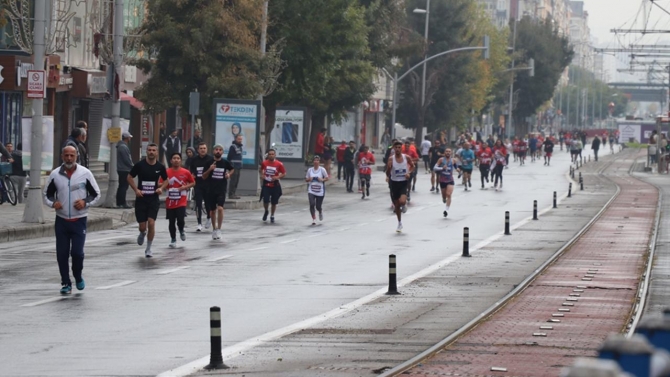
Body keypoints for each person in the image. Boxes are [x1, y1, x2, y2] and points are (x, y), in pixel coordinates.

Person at [43, 145, 101, 294]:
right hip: (61, 221)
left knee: (77, 253)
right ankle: (66, 283)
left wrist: (85, 202)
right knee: (62, 254)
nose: (69, 158)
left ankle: (78, 276)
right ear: (62, 156)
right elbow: (46, 194)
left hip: (79, 220)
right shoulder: (55, 174)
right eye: (66, 155)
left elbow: (96, 194)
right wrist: (53, 203)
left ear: (76, 157)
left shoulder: (85, 173)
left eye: (72, 156)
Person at [127, 143, 168, 258]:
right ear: (146, 152)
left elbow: (166, 180)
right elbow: (129, 177)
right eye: (149, 150)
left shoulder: (160, 167)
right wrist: (136, 190)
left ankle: (149, 248)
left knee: (151, 223)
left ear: (156, 152)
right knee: (143, 226)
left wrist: (161, 188)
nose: (151, 152)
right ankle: (142, 232)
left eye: (153, 150)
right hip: (141, 199)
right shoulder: (140, 165)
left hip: (153, 199)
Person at [203, 144, 235, 240]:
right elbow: (203, 176)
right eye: (216, 149)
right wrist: (210, 169)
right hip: (210, 189)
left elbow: (232, 169)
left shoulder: (225, 163)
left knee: (220, 209)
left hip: (221, 189)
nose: (218, 151)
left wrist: (229, 174)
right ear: (213, 151)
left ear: (222, 152)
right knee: (213, 211)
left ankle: (219, 229)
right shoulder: (208, 162)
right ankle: (214, 229)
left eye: (220, 150)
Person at [164, 152, 195, 247]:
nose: (176, 160)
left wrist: (185, 187)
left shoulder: (185, 172)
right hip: (170, 200)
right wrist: (166, 185)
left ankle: (181, 230)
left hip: (181, 200)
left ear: (181, 160)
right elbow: (159, 183)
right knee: (171, 221)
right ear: (171, 160)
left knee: (180, 219)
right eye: (174, 158)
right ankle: (173, 239)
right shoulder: (166, 172)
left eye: (178, 158)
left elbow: (193, 183)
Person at [386, 141, 415, 233]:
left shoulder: (406, 157)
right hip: (394, 183)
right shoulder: (391, 159)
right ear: (393, 148)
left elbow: (412, 166)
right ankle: (399, 223)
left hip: (403, 182)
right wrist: (389, 168)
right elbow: (387, 173)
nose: (398, 149)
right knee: (397, 205)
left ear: (401, 148)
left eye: (399, 147)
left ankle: (404, 203)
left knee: (402, 201)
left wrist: (408, 173)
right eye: (396, 147)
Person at [190, 142, 214, 231]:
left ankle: (208, 217)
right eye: (201, 148)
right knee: (198, 204)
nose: (203, 150)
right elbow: (191, 169)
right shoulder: (194, 159)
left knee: (208, 203)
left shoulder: (210, 159)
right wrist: (192, 175)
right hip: (198, 184)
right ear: (198, 150)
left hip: (208, 184)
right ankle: (199, 223)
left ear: (206, 149)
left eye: (204, 148)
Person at [259, 149, 286, 223]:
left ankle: (272, 215)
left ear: (275, 155)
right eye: (270, 154)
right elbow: (261, 170)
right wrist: (262, 175)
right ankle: (266, 211)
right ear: (268, 155)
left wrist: (277, 177)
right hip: (266, 184)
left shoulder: (279, 164)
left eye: (272, 154)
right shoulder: (264, 163)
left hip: (275, 185)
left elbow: (284, 173)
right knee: (265, 200)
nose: (271, 155)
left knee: (274, 202)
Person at [433, 148, 458, 217]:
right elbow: (434, 168)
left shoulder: (453, 160)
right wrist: (441, 168)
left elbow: (456, 167)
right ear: (444, 153)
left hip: (450, 180)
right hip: (442, 180)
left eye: (449, 151)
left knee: (449, 194)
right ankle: (444, 199)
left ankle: (446, 210)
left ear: (451, 153)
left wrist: (459, 171)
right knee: (444, 196)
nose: (448, 153)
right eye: (446, 151)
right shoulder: (441, 160)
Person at [305, 155, 328, 224]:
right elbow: (306, 179)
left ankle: (320, 211)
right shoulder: (310, 170)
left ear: (319, 162)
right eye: (315, 160)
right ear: (313, 162)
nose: (316, 162)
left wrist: (322, 179)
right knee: (312, 204)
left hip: (320, 191)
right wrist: (309, 179)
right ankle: (314, 219)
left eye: (317, 160)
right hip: (311, 190)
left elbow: (327, 178)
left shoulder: (322, 170)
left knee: (318, 206)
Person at [116, 132, 134, 208]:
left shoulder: (122, 146)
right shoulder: (123, 147)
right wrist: (133, 166)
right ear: (127, 138)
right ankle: (122, 203)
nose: (130, 139)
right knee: (124, 186)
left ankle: (120, 202)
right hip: (124, 169)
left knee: (122, 186)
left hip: (122, 169)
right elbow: (127, 160)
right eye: (129, 137)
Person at [227, 134, 243, 199]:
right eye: (239, 139)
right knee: (233, 181)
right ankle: (231, 194)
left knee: (236, 181)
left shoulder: (240, 147)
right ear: (235, 139)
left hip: (238, 167)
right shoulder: (233, 147)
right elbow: (229, 157)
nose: (240, 140)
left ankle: (234, 193)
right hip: (234, 166)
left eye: (241, 139)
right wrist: (230, 166)